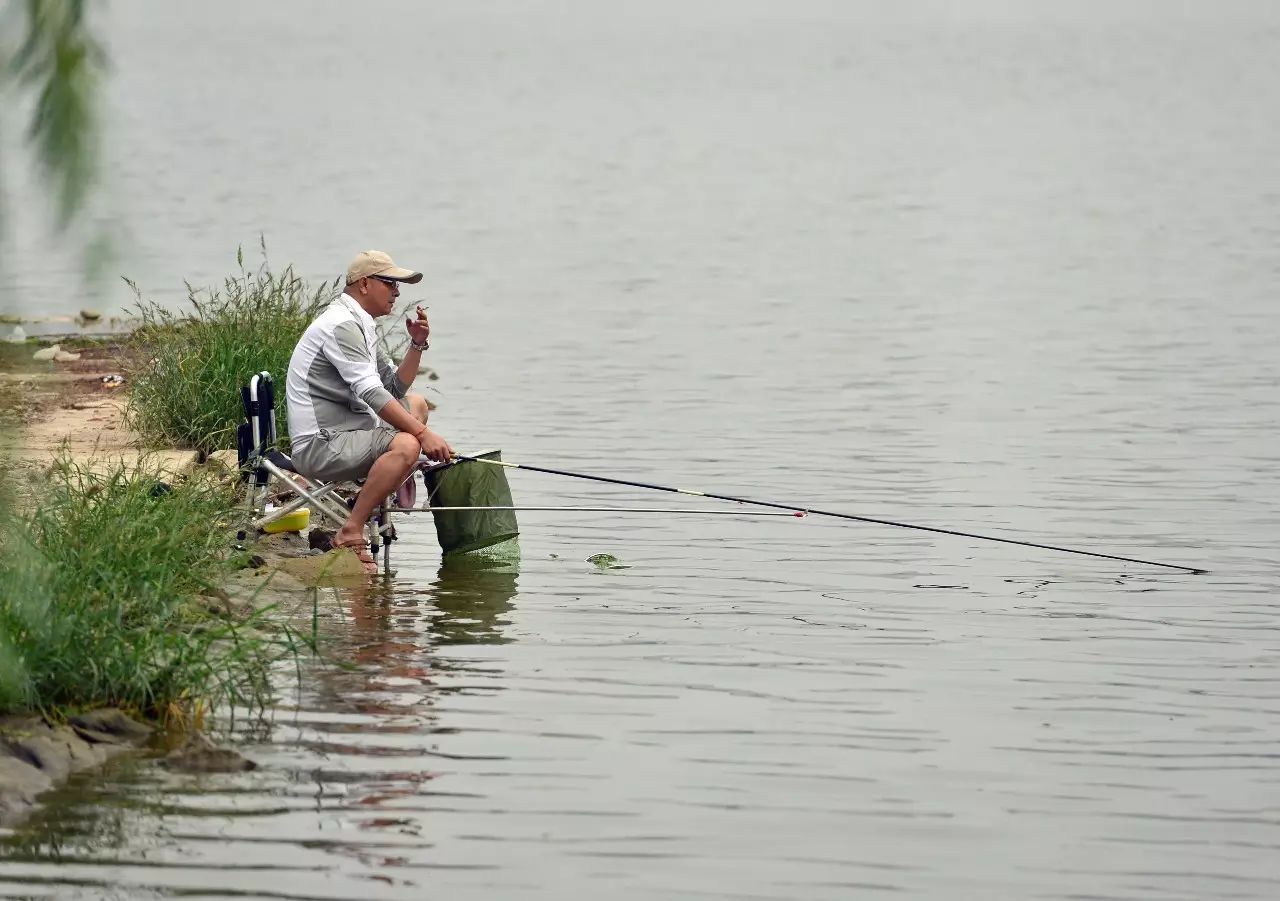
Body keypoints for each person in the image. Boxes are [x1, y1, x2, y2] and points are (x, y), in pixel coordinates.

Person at [285, 250, 454, 572]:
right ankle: (351, 529)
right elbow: (372, 394)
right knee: (407, 444)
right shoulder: (341, 326)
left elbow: (392, 388)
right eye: (390, 283)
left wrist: (417, 345)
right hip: (321, 445)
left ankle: (378, 492)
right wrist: (422, 434)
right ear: (364, 284)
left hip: (347, 433)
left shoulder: (360, 323)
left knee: (416, 403)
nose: (398, 292)